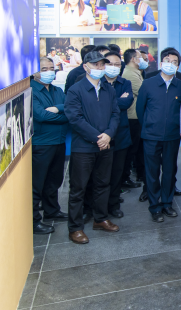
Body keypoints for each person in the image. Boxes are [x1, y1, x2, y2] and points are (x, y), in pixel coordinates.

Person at [64, 51, 121, 244]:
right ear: (85, 67)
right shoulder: (75, 90)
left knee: (103, 184)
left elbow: (116, 114)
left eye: (102, 64)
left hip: (105, 145)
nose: (99, 68)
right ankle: (75, 228)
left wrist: (108, 135)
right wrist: (98, 138)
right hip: (84, 148)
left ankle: (100, 219)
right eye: (95, 64)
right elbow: (75, 119)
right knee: (78, 188)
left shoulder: (108, 89)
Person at [136, 49, 181, 222]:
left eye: (174, 62)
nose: (170, 64)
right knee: (152, 171)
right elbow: (140, 109)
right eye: (167, 60)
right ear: (161, 62)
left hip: (172, 135)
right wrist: (149, 126)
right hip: (151, 135)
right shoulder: (148, 83)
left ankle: (167, 203)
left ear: (177, 66)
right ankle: (154, 206)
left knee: (170, 171)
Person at [31, 58, 69, 234]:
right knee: (37, 184)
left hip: (59, 141)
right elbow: (41, 116)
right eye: (44, 69)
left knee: (54, 180)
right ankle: (33, 221)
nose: (49, 72)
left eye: (51, 68)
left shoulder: (57, 90)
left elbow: (70, 108)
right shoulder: (31, 90)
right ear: (35, 72)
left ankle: (52, 211)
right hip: (42, 143)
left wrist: (58, 109)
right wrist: (62, 114)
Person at [102, 51, 134, 220]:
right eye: (109, 64)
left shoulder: (125, 83)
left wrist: (106, 102)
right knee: (100, 176)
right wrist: (116, 100)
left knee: (116, 174)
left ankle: (113, 205)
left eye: (117, 64)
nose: (113, 67)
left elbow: (127, 102)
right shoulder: (98, 82)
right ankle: (98, 208)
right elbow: (95, 104)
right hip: (101, 136)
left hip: (120, 135)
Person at [121, 49, 147, 188]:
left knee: (136, 148)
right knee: (131, 150)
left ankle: (130, 176)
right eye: (139, 57)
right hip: (132, 117)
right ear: (133, 59)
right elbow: (144, 92)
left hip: (136, 116)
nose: (142, 60)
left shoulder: (135, 72)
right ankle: (124, 178)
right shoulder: (130, 74)